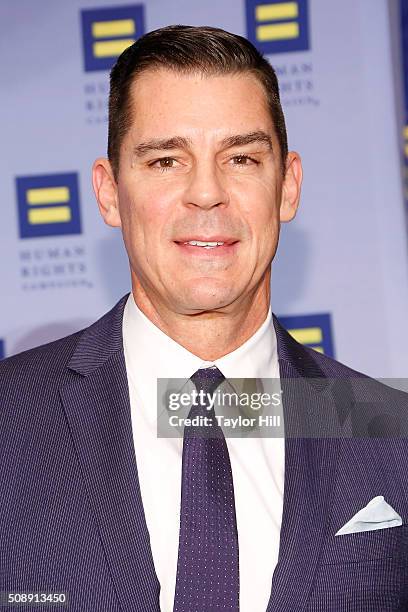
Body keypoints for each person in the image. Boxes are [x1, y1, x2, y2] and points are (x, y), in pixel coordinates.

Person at [1, 24, 408, 612]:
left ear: (288, 186)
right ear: (110, 192)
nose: (207, 193)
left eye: (241, 157)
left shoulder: (386, 428)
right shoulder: (10, 417)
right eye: (166, 160)